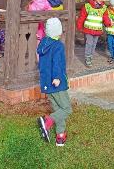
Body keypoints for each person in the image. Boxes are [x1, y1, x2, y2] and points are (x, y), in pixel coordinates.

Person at [37, 18, 72, 147]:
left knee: (58, 108)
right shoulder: (58, 46)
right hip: (57, 82)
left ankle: (60, 136)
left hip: (46, 82)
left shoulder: (43, 43)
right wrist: (57, 77)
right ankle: (48, 122)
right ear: (59, 31)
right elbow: (57, 62)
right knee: (67, 109)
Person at [76, 0, 112, 67]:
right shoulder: (87, 6)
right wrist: (79, 26)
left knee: (94, 44)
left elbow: (105, 17)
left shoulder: (104, 7)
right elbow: (82, 17)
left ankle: (91, 56)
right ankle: (87, 57)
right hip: (88, 29)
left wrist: (108, 23)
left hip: (97, 29)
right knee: (89, 43)